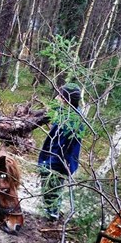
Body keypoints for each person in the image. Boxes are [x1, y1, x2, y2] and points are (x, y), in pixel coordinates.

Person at [38, 83, 84, 220]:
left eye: (60, 96)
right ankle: (52, 212)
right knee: (53, 187)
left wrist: (48, 163)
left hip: (57, 163)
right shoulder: (70, 113)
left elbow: (60, 147)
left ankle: (52, 214)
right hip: (59, 161)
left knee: (51, 188)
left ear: (66, 100)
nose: (57, 97)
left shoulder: (70, 121)